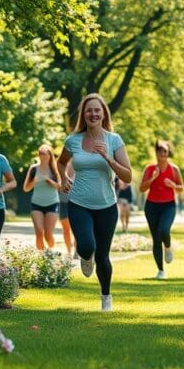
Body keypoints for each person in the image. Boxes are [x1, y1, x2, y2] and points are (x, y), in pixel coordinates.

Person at [57, 93, 132, 312]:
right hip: (79, 203)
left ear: (103, 114)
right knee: (87, 246)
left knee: (103, 256)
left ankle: (106, 297)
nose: (93, 114)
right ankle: (84, 255)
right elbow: (60, 163)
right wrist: (63, 178)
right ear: (84, 114)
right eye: (89, 110)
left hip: (107, 206)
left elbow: (128, 176)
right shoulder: (73, 140)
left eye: (97, 110)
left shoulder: (113, 140)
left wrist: (108, 158)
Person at [139, 140, 184, 279]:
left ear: (168, 152)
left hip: (168, 205)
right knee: (156, 238)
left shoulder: (174, 169)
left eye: (164, 150)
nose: (162, 153)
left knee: (164, 230)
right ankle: (160, 270)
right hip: (151, 206)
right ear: (156, 153)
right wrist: (153, 178)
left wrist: (173, 185)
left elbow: (181, 188)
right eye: (159, 151)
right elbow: (142, 188)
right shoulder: (150, 168)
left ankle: (168, 246)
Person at [22, 144, 61, 251]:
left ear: (50, 155)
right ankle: (41, 256)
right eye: (41, 153)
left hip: (52, 203)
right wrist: (33, 182)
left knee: (48, 233)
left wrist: (50, 181)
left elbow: (60, 187)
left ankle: (51, 250)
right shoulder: (33, 169)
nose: (43, 156)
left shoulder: (54, 168)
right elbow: (26, 188)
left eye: (45, 153)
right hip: (36, 203)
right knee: (39, 231)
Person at [58, 163, 75, 258]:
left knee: (77, 227)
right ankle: (69, 251)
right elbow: (59, 185)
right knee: (65, 228)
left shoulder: (82, 166)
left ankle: (77, 250)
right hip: (64, 199)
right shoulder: (63, 166)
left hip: (78, 200)